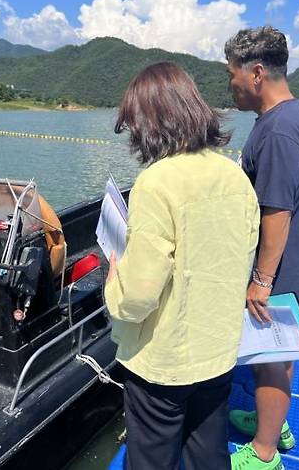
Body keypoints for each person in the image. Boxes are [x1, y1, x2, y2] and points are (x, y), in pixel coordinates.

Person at [105, 62, 260, 470]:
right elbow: (242, 252)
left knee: (152, 460)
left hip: (165, 363)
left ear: (148, 123)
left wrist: (113, 281)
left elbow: (138, 297)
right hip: (219, 351)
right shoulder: (234, 175)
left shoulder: (156, 182)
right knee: (208, 454)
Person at [224, 26, 299, 469]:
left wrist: (261, 281)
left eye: (233, 74)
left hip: (276, 271)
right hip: (291, 265)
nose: (231, 84)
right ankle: (273, 423)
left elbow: (277, 213)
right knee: (280, 356)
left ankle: (264, 453)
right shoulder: (291, 119)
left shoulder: (280, 130)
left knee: (268, 360)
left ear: (257, 72)